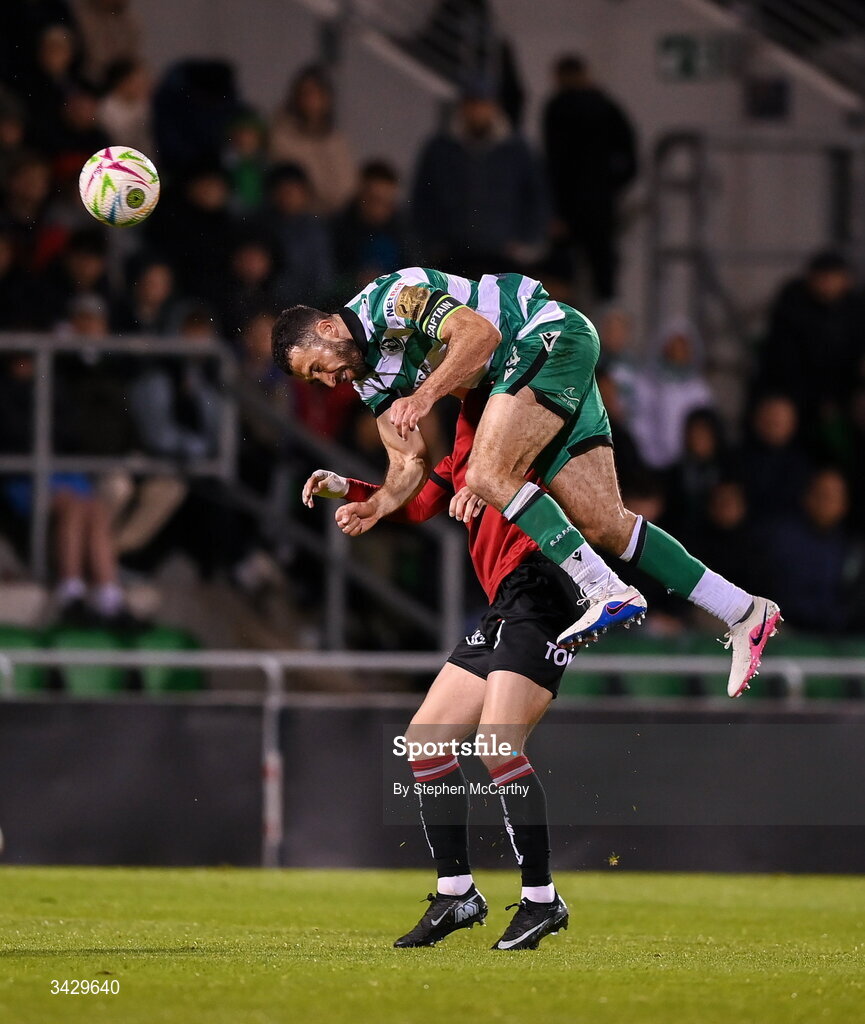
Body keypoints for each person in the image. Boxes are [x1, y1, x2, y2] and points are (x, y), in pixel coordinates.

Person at [272, 266, 781, 697]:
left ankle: (602, 588)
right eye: (313, 380)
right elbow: (409, 466)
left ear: (327, 327)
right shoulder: (367, 376)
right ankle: (742, 610)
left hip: (544, 335)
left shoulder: (393, 297)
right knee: (607, 524)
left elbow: (481, 336)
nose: (326, 380)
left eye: (318, 367)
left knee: (487, 473)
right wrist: (371, 500)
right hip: (539, 368)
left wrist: (425, 397)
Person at [302, 387, 570, 950]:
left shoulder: (528, 415)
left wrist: (488, 486)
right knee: (425, 741)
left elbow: (561, 479)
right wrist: (348, 488)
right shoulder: (465, 446)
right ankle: (457, 892)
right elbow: (420, 503)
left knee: (499, 744)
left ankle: (541, 900)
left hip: (545, 583)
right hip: (505, 601)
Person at [412, 86, 546, 276]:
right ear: (463, 107)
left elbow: (536, 197)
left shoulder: (517, 148)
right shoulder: (440, 147)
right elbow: (422, 197)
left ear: (494, 106)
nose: (477, 111)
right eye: (472, 104)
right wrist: (431, 242)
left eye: (482, 104)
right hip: (452, 254)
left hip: (504, 255)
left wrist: (526, 241)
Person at [542, 54, 637, 303]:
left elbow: (553, 163)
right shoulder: (605, 106)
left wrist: (555, 210)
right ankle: (604, 330)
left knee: (564, 276)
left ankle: (560, 327)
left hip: (571, 206)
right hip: (597, 205)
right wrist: (611, 185)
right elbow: (630, 160)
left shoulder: (558, 108)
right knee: (601, 276)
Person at [269, 65, 356, 215]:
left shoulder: (336, 139)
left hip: (340, 218)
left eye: (318, 93)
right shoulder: (282, 137)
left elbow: (349, 183)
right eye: (306, 93)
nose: (312, 100)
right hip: (305, 217)